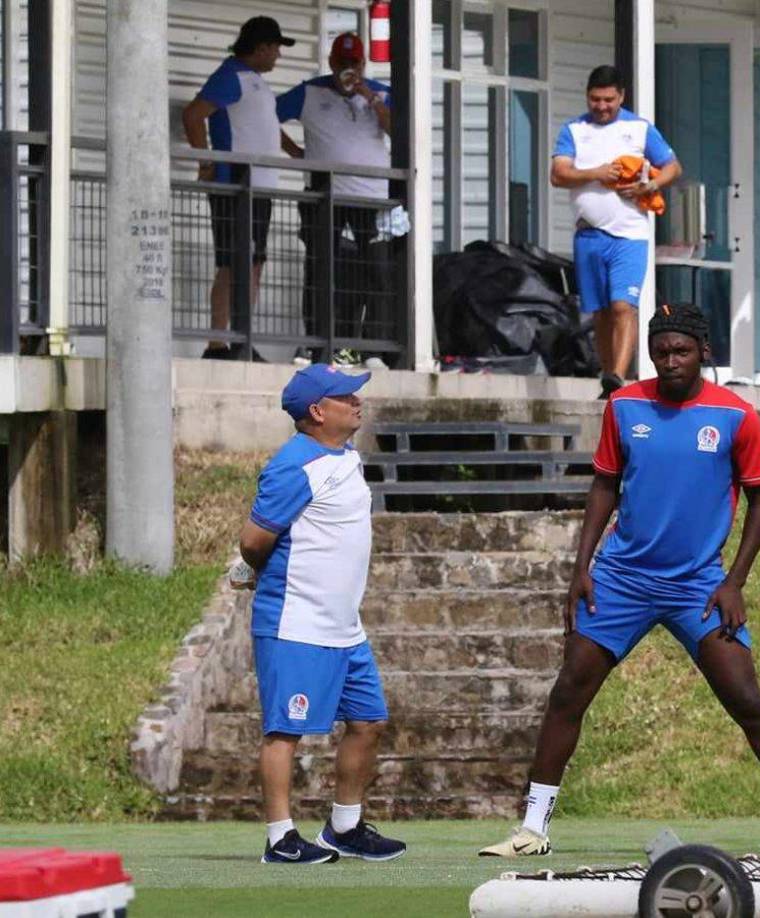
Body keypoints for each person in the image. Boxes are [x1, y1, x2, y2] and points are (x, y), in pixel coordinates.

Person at [478, 303, 760, 858]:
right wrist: (581, 569)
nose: (670, 361)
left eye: (681, 351)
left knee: (745, 698)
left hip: (698, 585)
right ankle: (533, 829)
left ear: (704, 353)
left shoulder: (736, 415)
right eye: (661, 351)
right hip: (621, 578)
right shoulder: (623, 405)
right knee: (569, 691)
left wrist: (735, 580)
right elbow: (604, 486)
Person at [234, 363, 405, 864]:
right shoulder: (294, 465)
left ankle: (344, 828)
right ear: (317, 411)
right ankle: (280, 839)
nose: (357, 402)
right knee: (284, 732)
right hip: (295, 623)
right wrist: (254, 571)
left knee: (369, 721)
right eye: (345, 397)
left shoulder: (343, 454)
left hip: (345, 628)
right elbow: (252, 540)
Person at [551, 66, 683, 398]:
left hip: (630, 234)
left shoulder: (638, 129)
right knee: (601, 311)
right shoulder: (575, 130)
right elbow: (558, 173)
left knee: (624, 305)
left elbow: (672, 166)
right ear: (588, 97)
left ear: (620, 96)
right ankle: (608, 378)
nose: (602, 106)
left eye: (609, 99)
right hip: (589, 234)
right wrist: (597, 172)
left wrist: (650, 184)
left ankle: (618, 375)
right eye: (595, 99)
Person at [182, 16, 300, 361]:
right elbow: (193, 115)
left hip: (259, 187)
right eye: (276, 47)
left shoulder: (256, 82)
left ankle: (241, 339)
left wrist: (297, 154)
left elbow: (265, 126)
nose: (278, 55)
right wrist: (206, 162)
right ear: (261, 47)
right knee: (233, 263)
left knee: (254, 263)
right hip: (236, 184)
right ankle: (219, 342)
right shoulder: (230, 76)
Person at [277, 33, 393, 370]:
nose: (348, 69)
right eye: (342, 63)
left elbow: (399, 130)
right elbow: (266, 116)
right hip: (323, 194)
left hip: (373, 197)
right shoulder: (310, 91)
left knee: (378, 271)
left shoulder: (380, 93)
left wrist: (369, 97)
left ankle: (372, 349)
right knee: (319, 268)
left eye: (354, 63)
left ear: (363, 64)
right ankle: (317, 346)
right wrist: (295, 152)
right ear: (330, 62)